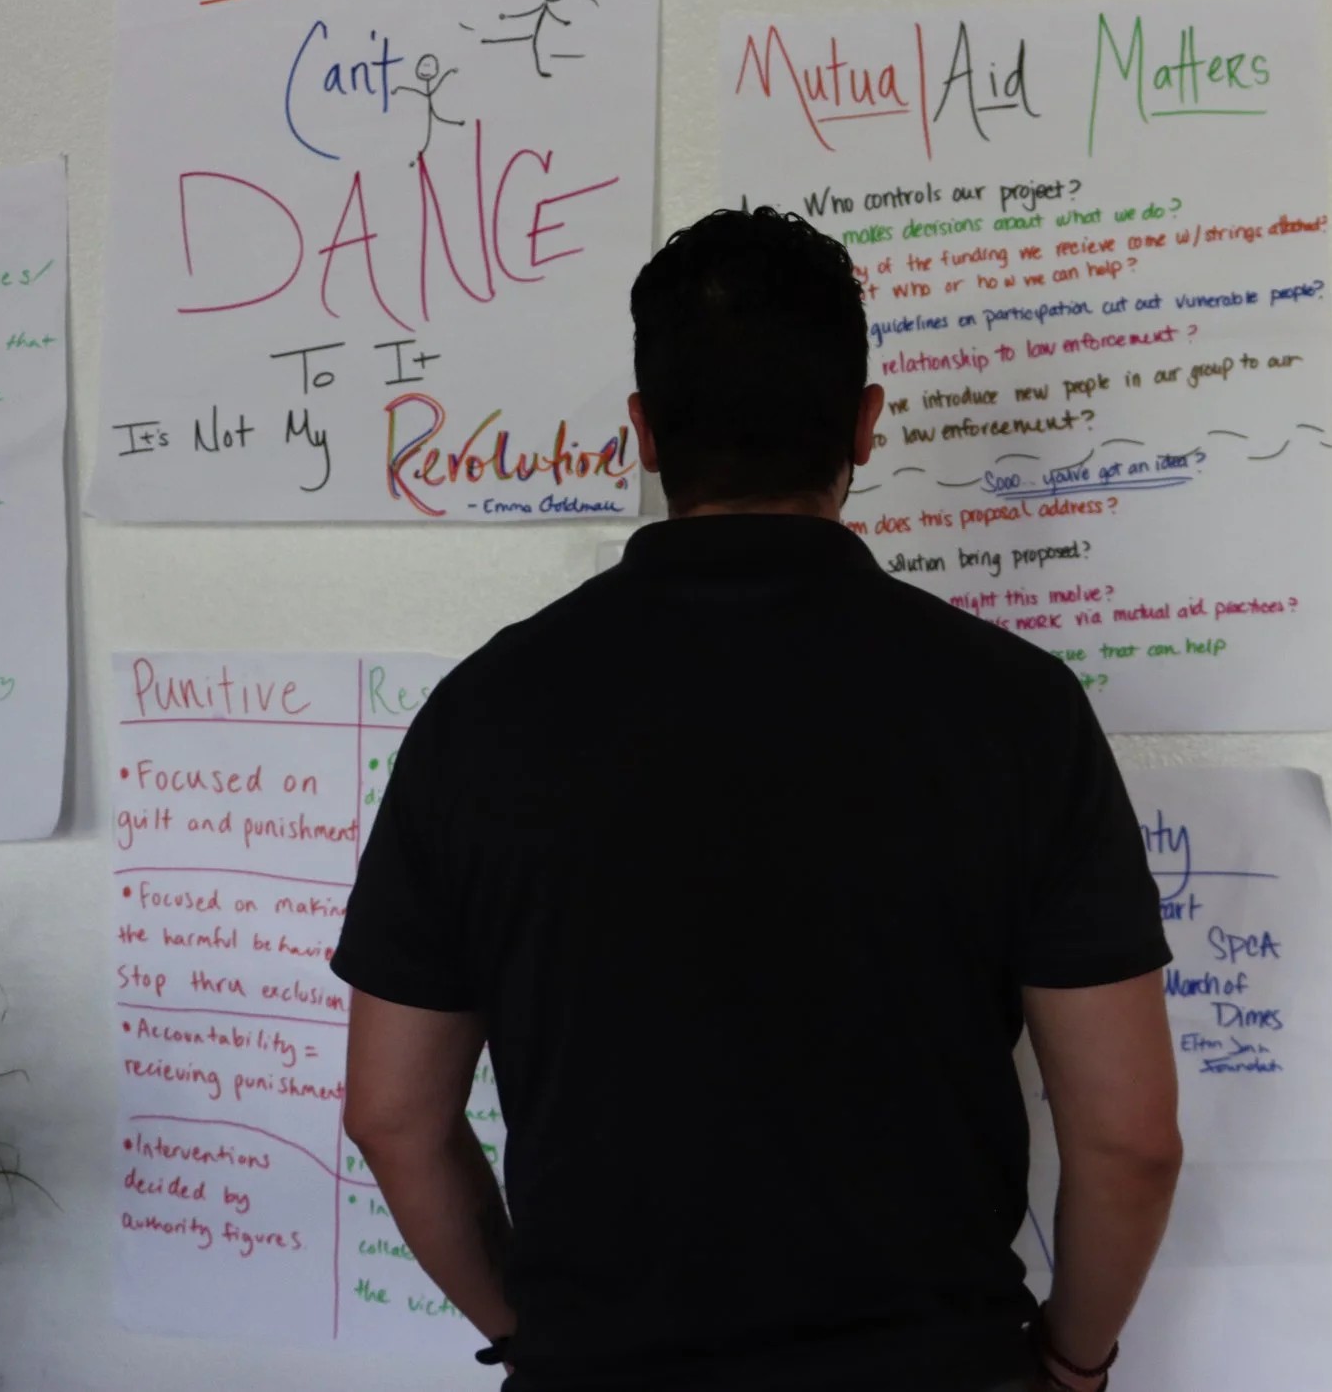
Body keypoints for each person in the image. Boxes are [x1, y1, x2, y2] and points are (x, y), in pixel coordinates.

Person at [332, 206, 1181, 1392]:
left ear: (641, 434)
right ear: (867, 424)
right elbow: (1129, 1137)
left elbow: (391, 1113)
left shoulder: (478, 716)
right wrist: (1076, 1365)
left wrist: (541, 1336)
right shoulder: (1018, 709)